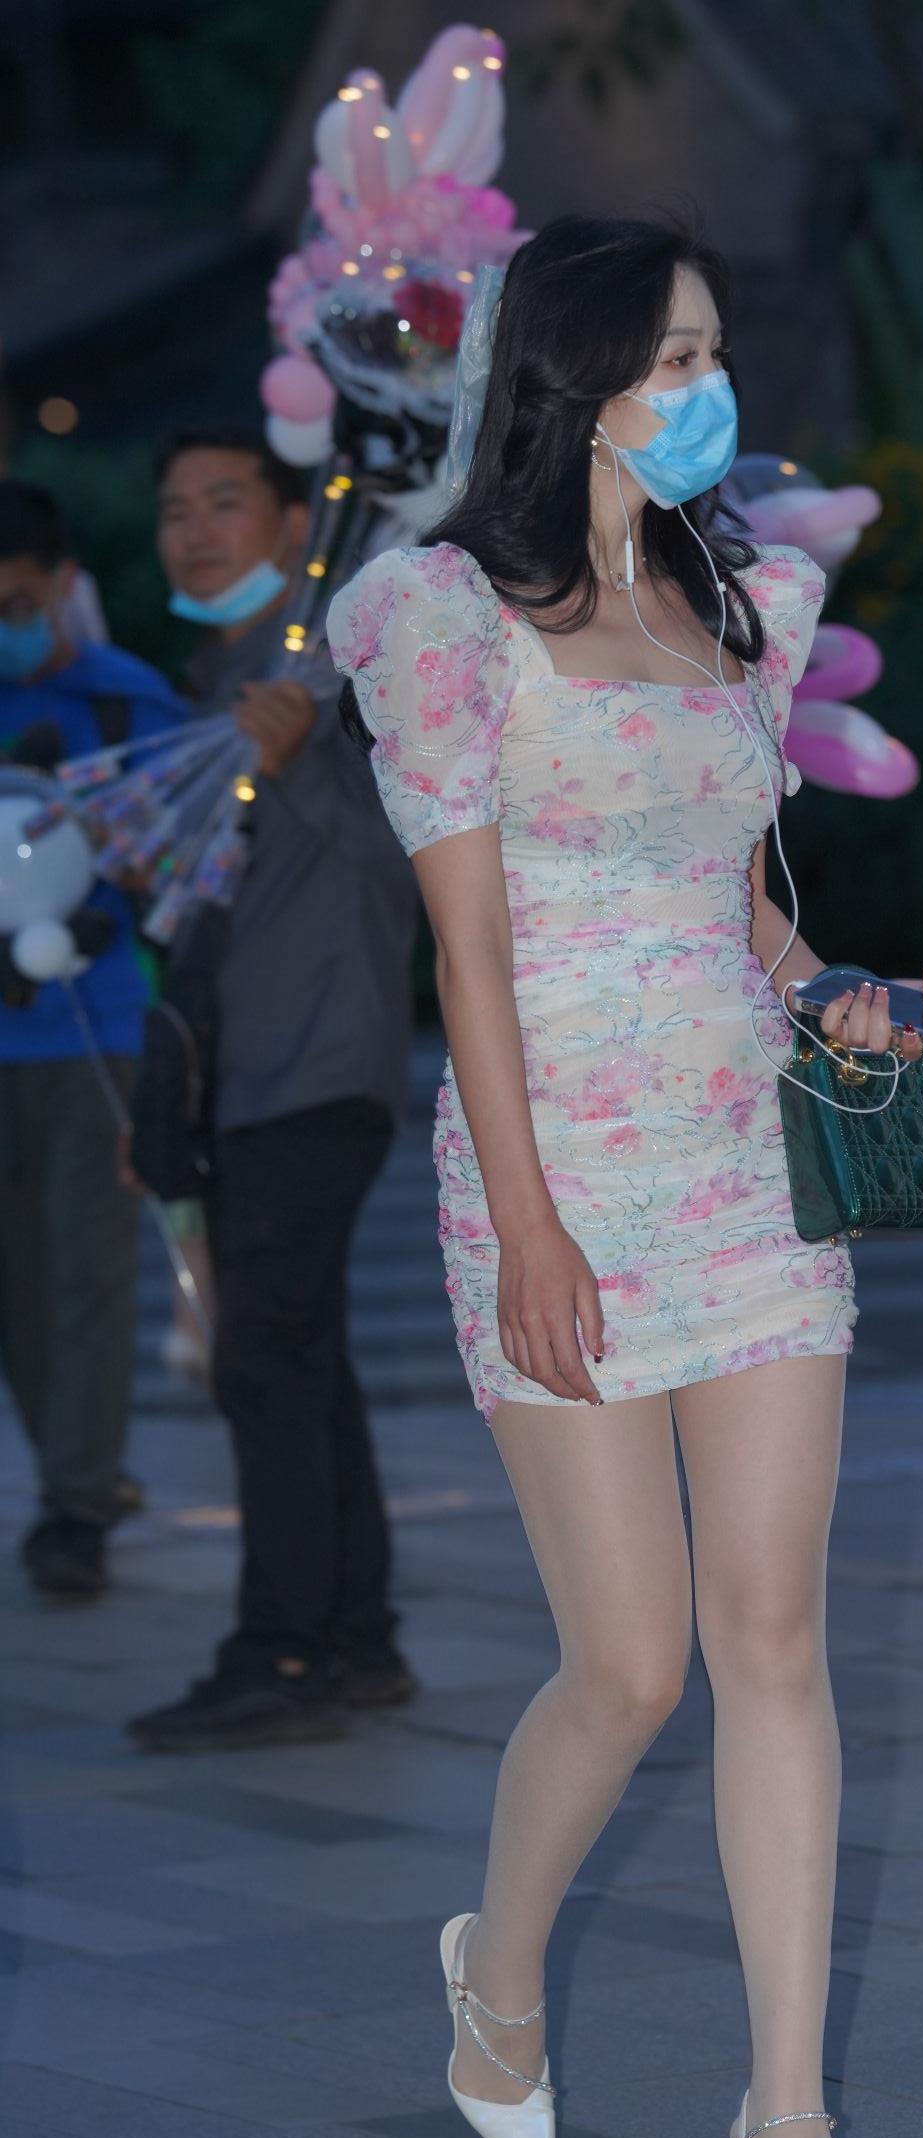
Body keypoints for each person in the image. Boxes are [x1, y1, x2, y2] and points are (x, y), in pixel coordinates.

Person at [326, 217, 923, 2138]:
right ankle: (496, 1974)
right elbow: (467, 960)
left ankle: (791, 2119)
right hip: (560, 1174)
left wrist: (835, 995)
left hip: (751, 1168)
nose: (706, 386)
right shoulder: (440, 617)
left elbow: (739, 897)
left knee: (775, 1642)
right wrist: (523, 1223)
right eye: (672, 354)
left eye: (711, 349)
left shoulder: (723, 596)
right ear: (573, 373)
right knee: (631, 1664)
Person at [126, 429, 419, 1752]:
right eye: (175, 510)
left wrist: (300, 761)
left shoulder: (347, 673)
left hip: (319, 1065)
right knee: (302, 1359)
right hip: (244, 1075)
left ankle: (284, 1651)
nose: (195, 531)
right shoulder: (217, 683)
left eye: (225, 503)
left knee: (262, 1360)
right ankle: (355, 1639)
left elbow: (404, 857)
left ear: (298, 524)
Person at [0, 481, 187, 1598]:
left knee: (88, 1275)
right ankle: (78, 1471)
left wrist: (111, 890)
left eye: (19, 602)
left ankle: (76, 1505)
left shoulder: (128, 702)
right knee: (21, 1290)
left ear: (64, 585)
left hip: (96, 1033)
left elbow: (185, 863)